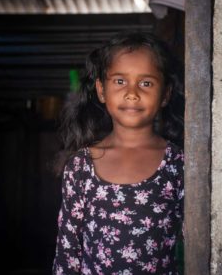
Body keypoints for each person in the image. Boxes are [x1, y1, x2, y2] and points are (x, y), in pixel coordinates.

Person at [53, 31, 184, 275]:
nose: (132, 93)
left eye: (146, 83)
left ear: (165, 94)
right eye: (120, 81)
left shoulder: (178, 164)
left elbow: (194, 242)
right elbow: (67, 249)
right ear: (101, 90)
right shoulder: (81, 166)